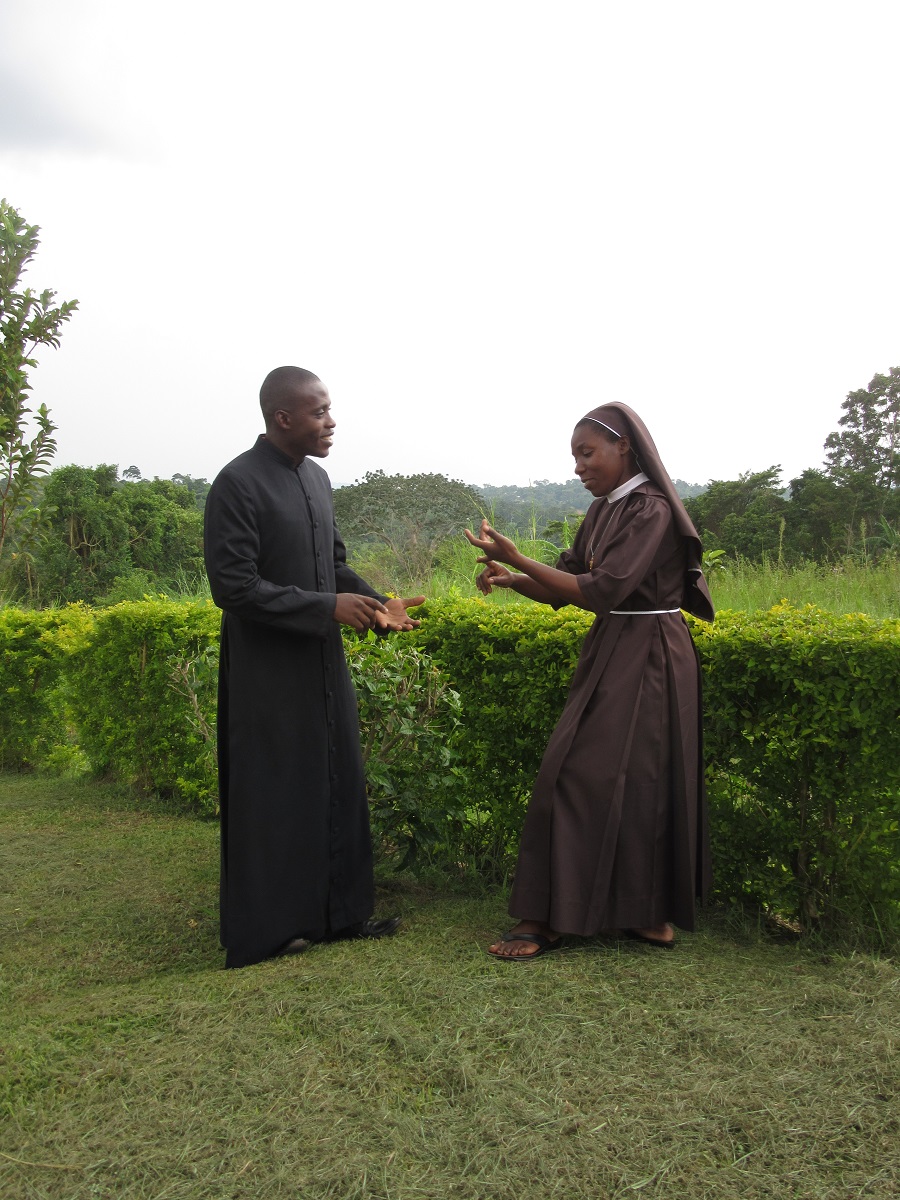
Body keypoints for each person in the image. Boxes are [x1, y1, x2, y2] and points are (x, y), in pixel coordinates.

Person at [465, 402, 714, 959]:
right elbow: (569, 585)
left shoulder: (650, 509)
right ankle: (637, 916)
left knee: (599, 777)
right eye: (574, 457)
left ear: (624, 446)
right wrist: (512, 579)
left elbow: (602, 590)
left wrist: (519, 557)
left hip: (652, 653)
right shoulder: (604, 509)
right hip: (615, 644)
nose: (578, 467)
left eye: (587, 453)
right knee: (620, 780)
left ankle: (588, 918)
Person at [204, 366, 424, 969]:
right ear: (283, 417)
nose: (331, 422)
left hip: (322, 663)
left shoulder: (318, 480)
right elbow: (233, 587)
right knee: (274, 791)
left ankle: (341, 915)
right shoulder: (237, 484)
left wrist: (378, 603)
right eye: (319, 411)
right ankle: (269, 931)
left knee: (334, 779)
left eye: (329, 411)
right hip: (267, 673)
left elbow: (333, 566)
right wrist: (327, 607)